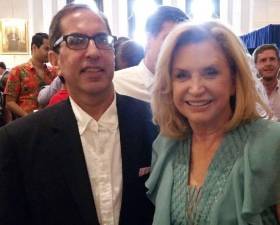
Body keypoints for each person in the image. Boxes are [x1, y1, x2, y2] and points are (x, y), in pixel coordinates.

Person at [0, 4, 157, 225]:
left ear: (113, 53)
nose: (93, 51)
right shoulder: (19, 142)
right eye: (76, 40)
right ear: (55, 60)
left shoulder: (153, 123)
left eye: (103, 40)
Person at [145, 21, 280, 225]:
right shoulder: (166, 144)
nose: (196, 88)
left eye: (210, 72)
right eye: (182, 75)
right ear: (169, 84)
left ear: (235, 80)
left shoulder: (272, 143)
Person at [113, 6, 188, 102]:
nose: (176, 49)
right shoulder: (117, 85)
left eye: (182, 43)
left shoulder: (189, 89)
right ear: (149, 39)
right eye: (168, 40)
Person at [4, 32, 56, 118]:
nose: (49, 53)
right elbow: (9, 102)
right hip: (25, 123)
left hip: (48, 121)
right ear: (34, 48)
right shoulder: (18, 71)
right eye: (46, 49)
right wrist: (28, 117)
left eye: (51, 49)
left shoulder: (53, 72)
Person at [253, 44, 280, 120]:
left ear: (279, 63)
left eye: (272, 59)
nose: (268, 64)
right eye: (263, 60)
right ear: (255, 66)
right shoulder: (247, 92)